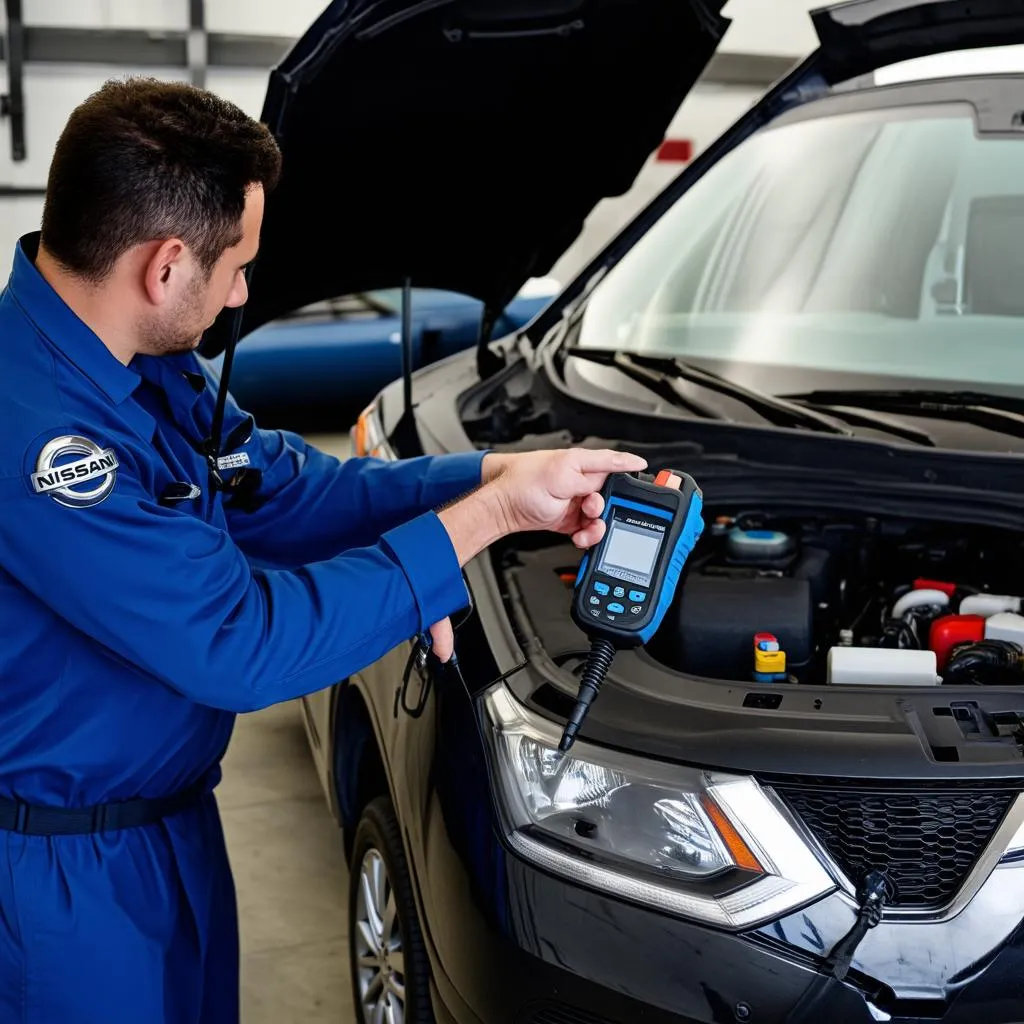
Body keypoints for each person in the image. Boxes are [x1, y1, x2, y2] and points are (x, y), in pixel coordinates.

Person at [0, 76, 645, 1023]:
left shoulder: (147, 373)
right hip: (61, 880)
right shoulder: (41, 438)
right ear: (168, 265)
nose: (246, 291)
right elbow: (238, 642)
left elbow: (292, 491)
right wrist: (481, 526)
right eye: (239, 267)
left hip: (167, 829)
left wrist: (496, 475)